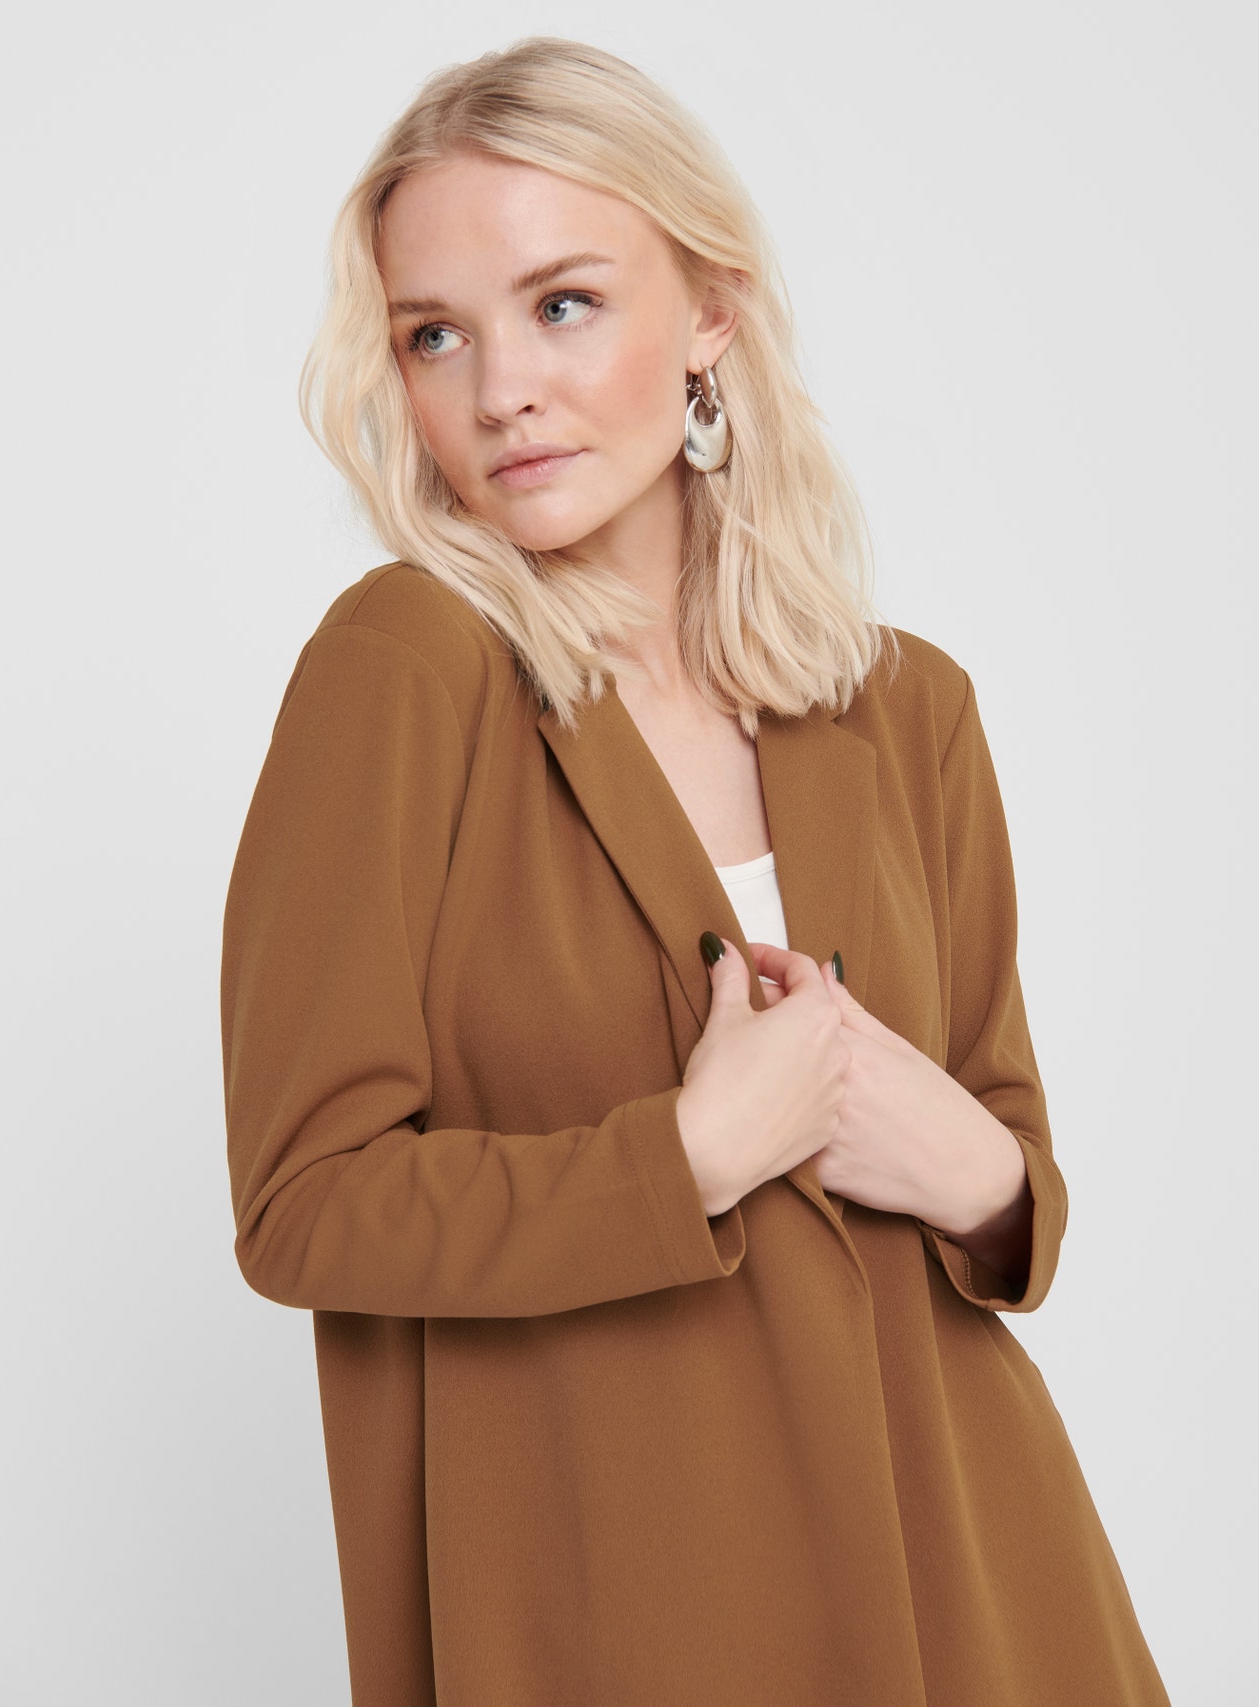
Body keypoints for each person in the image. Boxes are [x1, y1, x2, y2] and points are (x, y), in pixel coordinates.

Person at [220, 36, 1170, 1707]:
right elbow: (302, 1204)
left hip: (970, 1591)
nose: (500, 389)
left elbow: (1007, 1166)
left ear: (710, 313)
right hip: (626, 1608)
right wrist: (689, 1154)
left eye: (563, 303)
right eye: (436, 334)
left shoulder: (906, 708)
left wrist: (974, 1169)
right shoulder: (405, 667)